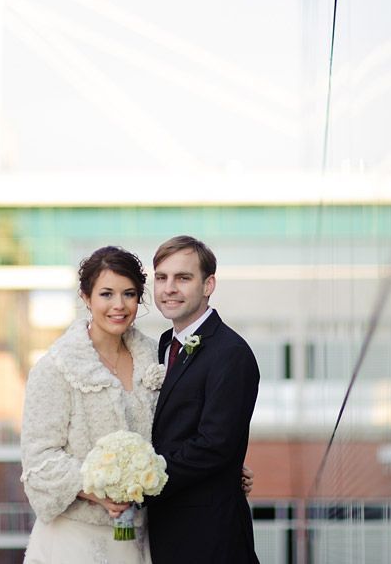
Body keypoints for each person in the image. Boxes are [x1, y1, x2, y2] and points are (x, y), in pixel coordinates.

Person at [21, 246, 161, 563]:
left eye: (129, 294)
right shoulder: (55, 368)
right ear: (86, 297)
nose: (119, 305)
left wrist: (224, 467)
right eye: (106, 294)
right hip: (74, 540)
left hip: (140, 539)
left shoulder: (156, 359)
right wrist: (96, 489)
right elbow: (39, 461)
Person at [146, 235, 260, 564]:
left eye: (183, 278)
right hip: (163, 532)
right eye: (162, 278)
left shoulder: (231, 353)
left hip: (209, 538)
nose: (169, 288)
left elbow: (215, 445)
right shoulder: (164, 345)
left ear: (208, 285)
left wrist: (143, 477)